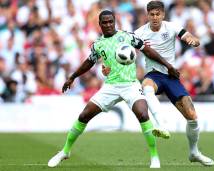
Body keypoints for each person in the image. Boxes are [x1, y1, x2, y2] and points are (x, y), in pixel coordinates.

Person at [47, 10, 180, 169]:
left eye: (111, 21)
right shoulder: (98, 44)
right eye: (105, 22)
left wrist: (168, 66)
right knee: (84, 115)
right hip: (111, 86)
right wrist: (72, 76)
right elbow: (89, 62)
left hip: (130, 84)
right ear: (100, 24)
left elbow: (147, 50)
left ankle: (154, 157)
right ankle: (65, 151)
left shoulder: (127, 37)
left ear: (115, 21)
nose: (108, 25)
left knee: (143, 114)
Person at [103, 1, 214, 166]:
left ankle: (194, 152)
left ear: (163, 15)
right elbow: (121, 51)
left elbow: (187, 36)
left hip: (171, 76)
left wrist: (193, 40)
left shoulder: (172, 27)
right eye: (151, 14)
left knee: (192, 117)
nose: (155, 17)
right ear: (147, 16)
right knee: (146, 86)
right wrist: (108, 67)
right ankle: (161, 124)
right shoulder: (139, 33)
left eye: (158, 14)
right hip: (153, 74)